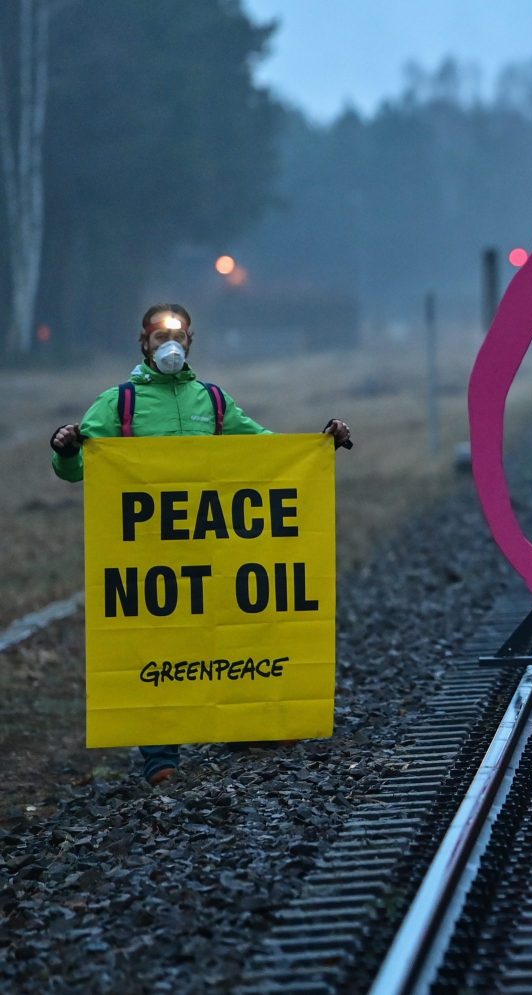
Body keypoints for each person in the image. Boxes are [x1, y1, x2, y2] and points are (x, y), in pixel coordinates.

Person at [49, 303, 352, 785]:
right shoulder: (119, 405)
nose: (168, 344)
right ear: (142, 343)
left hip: (216, 553)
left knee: (228, 632)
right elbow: (78, 469)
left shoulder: (212, 402)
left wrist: (318, 447)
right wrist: (64, 448)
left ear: (191, 341)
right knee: (156, 646)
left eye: (178, 335)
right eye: (158, 336)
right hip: (151, 556)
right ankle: (160, 759)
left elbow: (263, 451)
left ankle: (239, 728)